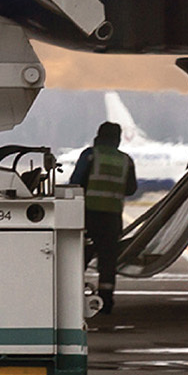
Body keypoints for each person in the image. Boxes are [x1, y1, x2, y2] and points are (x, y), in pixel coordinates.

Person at [68, 119, 139, 325]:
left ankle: (73, 299)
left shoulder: (90, 155)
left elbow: (76, 182)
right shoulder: (126, 160)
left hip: (88, 216)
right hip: (112, 217)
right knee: (108, 261)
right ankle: (106, 302)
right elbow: (131, 189)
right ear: (117, 139)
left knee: (79, 258)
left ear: (98, 136)